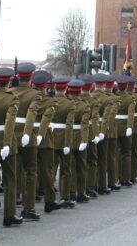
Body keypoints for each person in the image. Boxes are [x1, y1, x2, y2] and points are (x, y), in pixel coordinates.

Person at [9, 63, 41, 221]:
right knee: (30, 171)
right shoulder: (35, 94)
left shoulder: (10, 92)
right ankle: (28, 207)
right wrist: (27, 133)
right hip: (26, 135)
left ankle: (12, 202)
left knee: (13, 171)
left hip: (10, 134)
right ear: (31, 76)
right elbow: (31, 114)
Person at [0, 67, 23, 227]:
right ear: (9, 82)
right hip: (6, 141)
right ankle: (9, 215)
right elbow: (10, 122)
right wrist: (7, 143)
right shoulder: (12, 99)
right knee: (10, 179)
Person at [30, 70, 63, 213]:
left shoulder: (28, 98)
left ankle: (29, 200)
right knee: (47, 170)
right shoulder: (51, 101)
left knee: (30, 170)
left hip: (29, 134)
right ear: (46, 86)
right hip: (46, 138)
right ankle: (49, 200)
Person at [52, 76, 76, 208]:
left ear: (55, 88)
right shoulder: (69, 104)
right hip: (63, 138)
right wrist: (67, 143)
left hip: (50, 137)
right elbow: (69, 125)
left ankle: (49, 196)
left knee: (51, 168)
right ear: (66, 89)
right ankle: (65, 196)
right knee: (65, 170)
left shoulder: (50, 101)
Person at [67, 79, 91, 203]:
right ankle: (81, 192)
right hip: (79, 136)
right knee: (81, 165)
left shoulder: (65, 103)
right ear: (80, 91)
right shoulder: (84, 105)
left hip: (67, 136)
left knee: (69, 165)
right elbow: (85, 124)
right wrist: (84, 140)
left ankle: (69, 192)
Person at [115, 76, 135, 183]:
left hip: (114, 127)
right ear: (126, 86)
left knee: (115, 153)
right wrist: (129, 127)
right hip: (124, 127)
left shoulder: (114, 97)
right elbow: (130, 114)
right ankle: (125, 178)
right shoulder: (130, 99)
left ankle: (115, 177)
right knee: (126, 153)